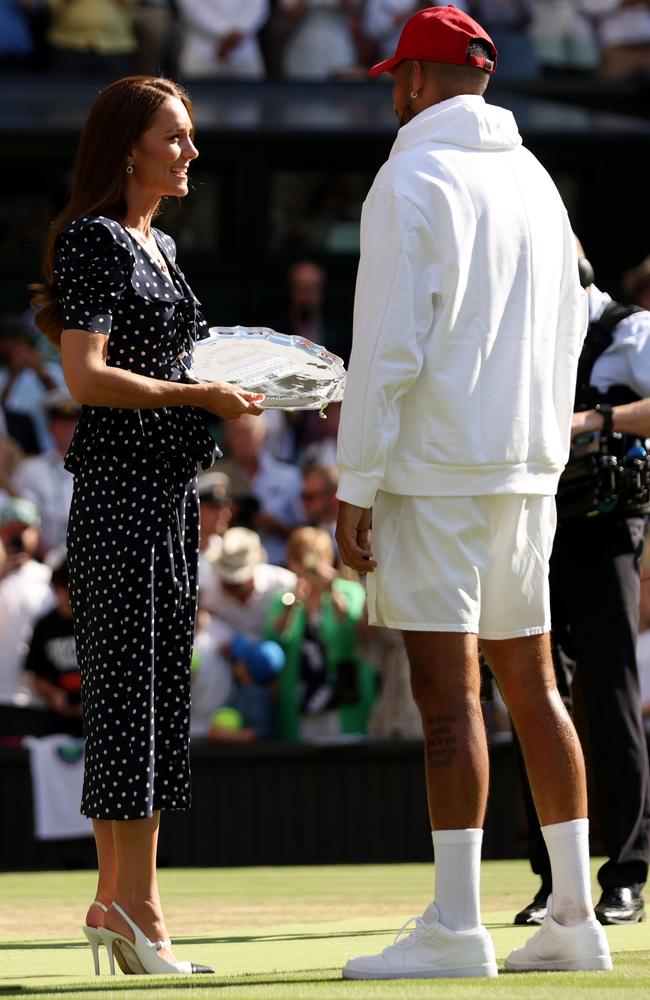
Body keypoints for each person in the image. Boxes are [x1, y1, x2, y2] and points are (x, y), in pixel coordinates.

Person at [334, 5, 611, 978]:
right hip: (523, 470)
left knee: (447, 697)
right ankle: (572, 915)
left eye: (396, 81)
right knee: (532, 687)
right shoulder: (535, 179)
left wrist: (354, 481)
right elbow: (572, 322)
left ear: (411, 82)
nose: (394, 96)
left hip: (437, 471)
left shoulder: (407, 175)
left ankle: (456, 924)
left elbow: (387, 349)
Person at [31, 75, 264, 977]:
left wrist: (254, 382)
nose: (191, 152)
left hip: (168, 495)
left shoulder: (158, 244)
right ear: (130, 144)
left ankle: (125, 904)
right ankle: (137, 913)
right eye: (176, 136)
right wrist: (196, 393)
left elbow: (181, 362)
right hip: (121, 494)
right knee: (132, 703)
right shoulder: (95, 240)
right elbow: (85, 378)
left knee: (157, 701)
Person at [514, 259, 650, 927]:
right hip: (531, 527)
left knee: (613, 689)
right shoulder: (521, 334)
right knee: (534, 691)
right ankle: (553, 881)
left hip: (604, 529)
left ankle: (626, 874)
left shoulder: (630, 329)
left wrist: (595, 418)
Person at [265, 526, 372, 741]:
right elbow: (274, 639)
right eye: (301, 556)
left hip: (343, 693)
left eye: (317, 555)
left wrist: (333, 591)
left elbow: (353, 634)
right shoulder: (285, 598)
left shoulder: (350, 592)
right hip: (301, 697)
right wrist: (294, 601)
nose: (310, 564)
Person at [0, 497, 53, 737]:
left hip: (37, 701)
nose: (15, 537)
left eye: (22, 530)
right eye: (9, 530)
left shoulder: (51, 580)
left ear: (37, 532)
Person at [22, 554, 83, 738]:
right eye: (59, 591)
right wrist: (53, 693)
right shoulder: (45, 625)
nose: (64, 598)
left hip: (94, 718)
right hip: (57, 722)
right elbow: (35, 670)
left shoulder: (92, 626)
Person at [11, 389, 79, 553]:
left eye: (73, 422)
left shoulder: (95, 468)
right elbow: (22, 515)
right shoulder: (31, 468)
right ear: (51, 427)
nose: (67, 428)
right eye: (61, 422)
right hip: (45, 559)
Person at [176, 0, 269, 78]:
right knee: (198, 98)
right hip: (202, 50)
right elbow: (190, 9)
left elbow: (258, 7)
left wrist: (239, 32)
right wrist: (227, 34)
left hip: (244, 49)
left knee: (250, 97)